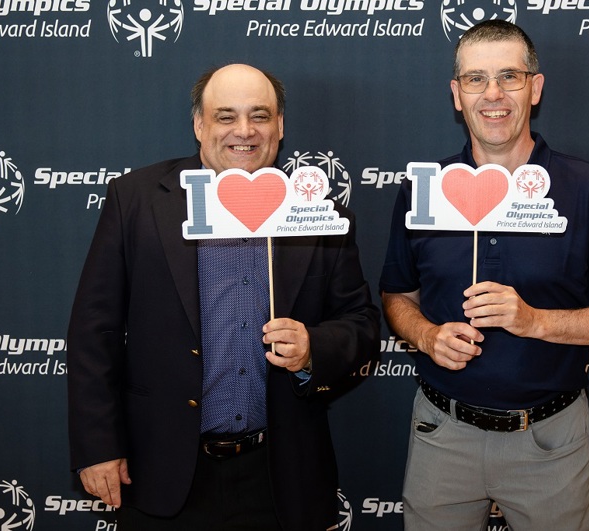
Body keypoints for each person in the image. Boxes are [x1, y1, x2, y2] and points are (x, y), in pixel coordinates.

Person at [67, 63, 380, 531]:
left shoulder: (320, 215)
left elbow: (361, 323)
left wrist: (314, 348)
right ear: (199, 125)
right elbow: (95, 331)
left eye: (259, 115)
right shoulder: (136, 200)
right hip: (163, 471)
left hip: (280, 476)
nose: (244, 131)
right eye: (226, 116)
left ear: (279, 126)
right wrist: (98, 446)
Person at [380, 20, 589, 531]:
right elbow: (396, 295)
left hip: (549, 440)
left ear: (536, 87)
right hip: (443, 433)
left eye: (510, 76)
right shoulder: (424, 190)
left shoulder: (587, 188)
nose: (494, 94)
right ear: (457, 95)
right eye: (477, 79)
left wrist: (534, 321)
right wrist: (426, 334)